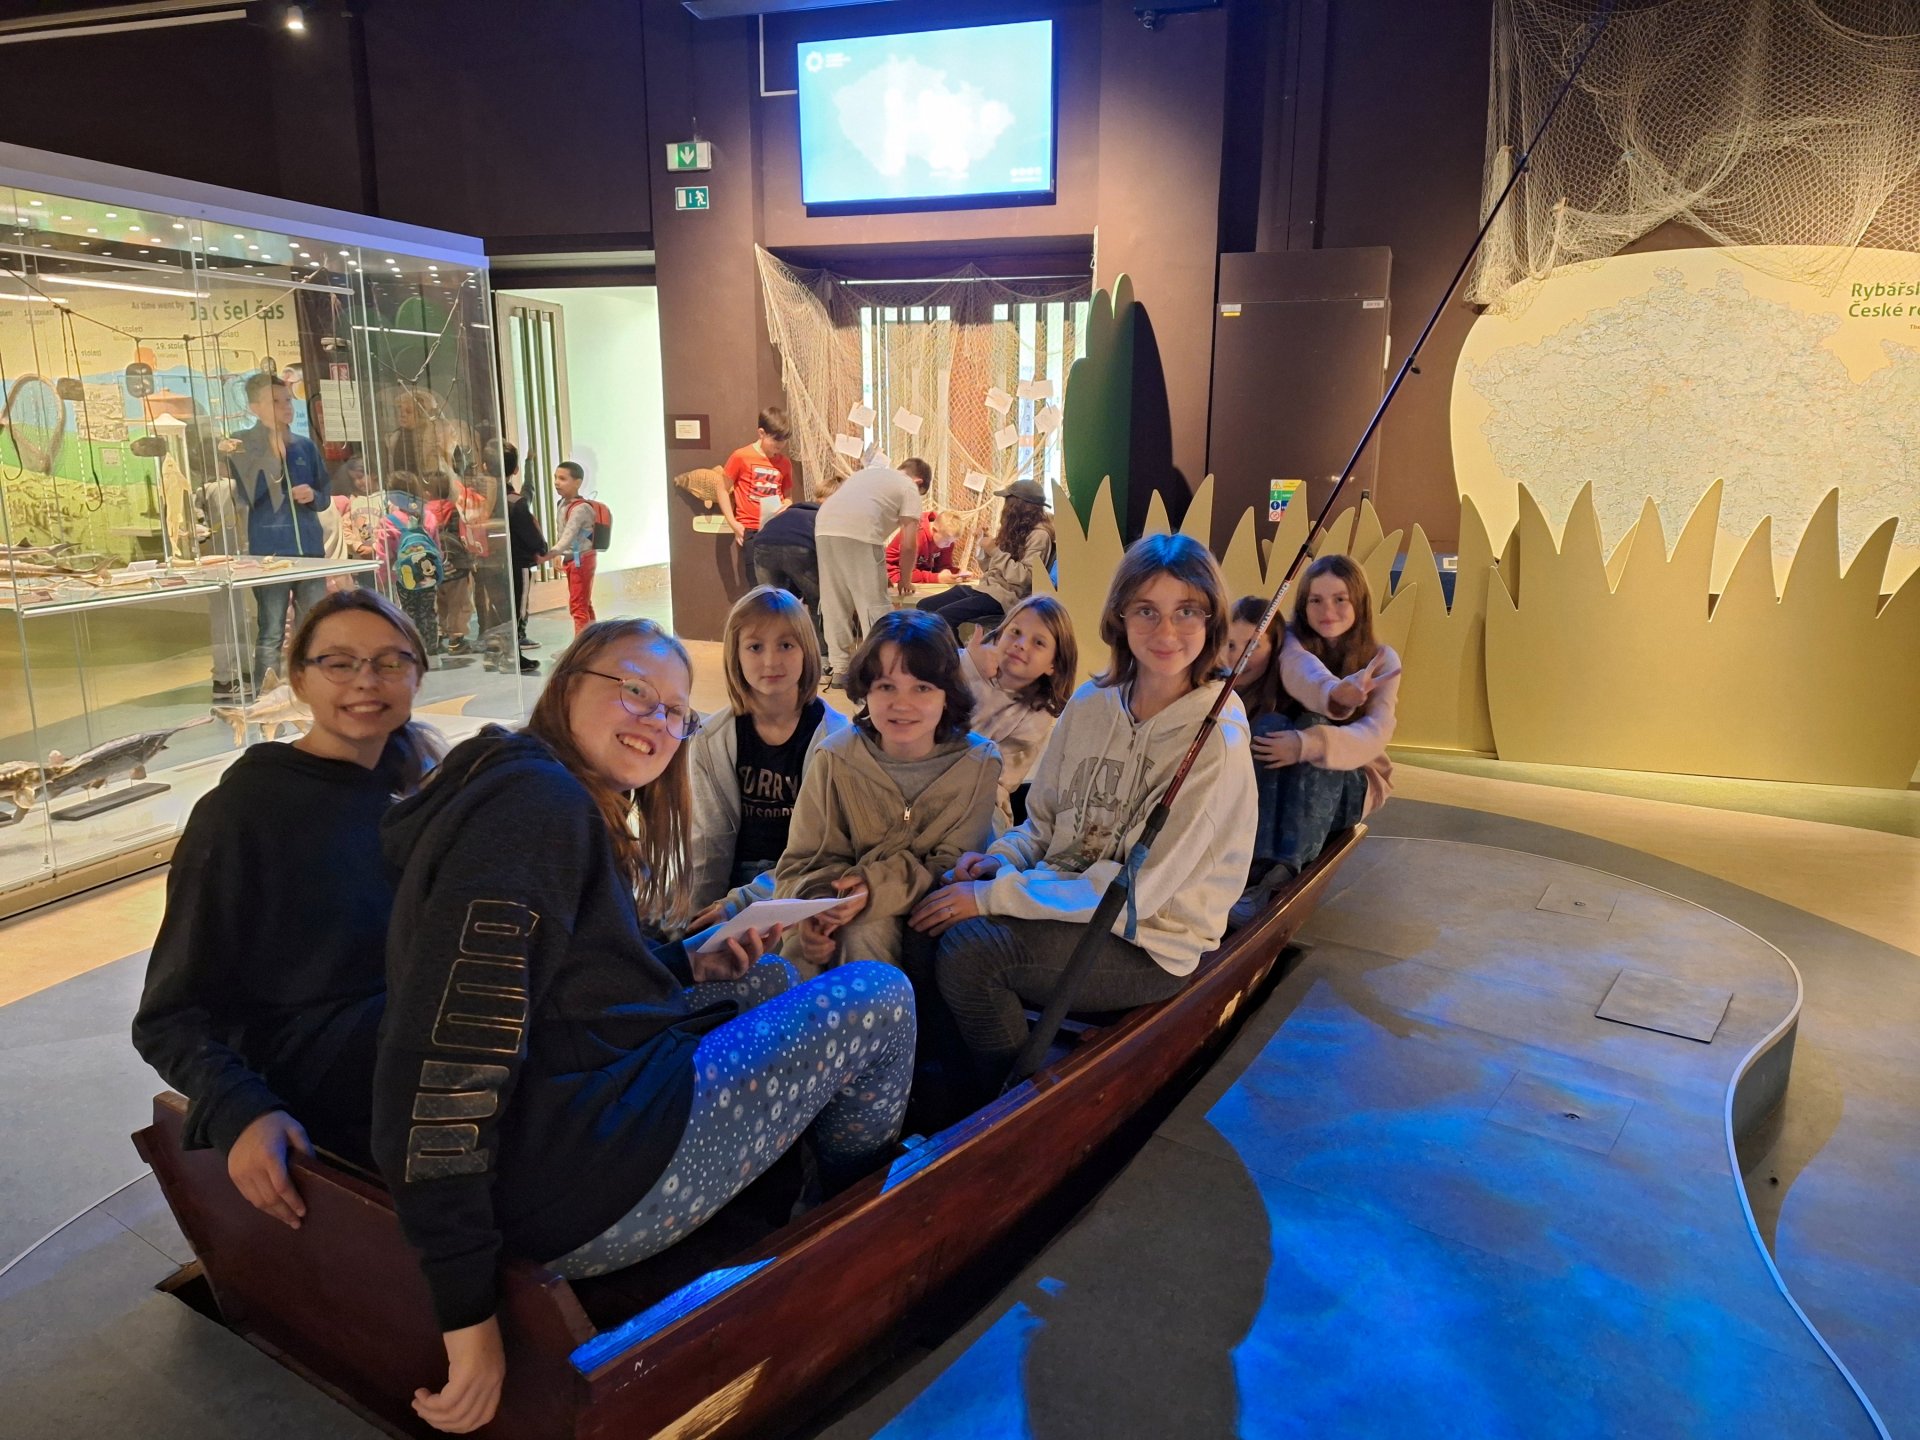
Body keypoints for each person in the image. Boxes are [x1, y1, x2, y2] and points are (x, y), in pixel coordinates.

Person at [372, 618, 914, 1434]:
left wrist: (685, 965)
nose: (656, 722)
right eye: (634, 691)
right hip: (578, 1179)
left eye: (674, 712)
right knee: (880, 998)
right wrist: (468, 1317)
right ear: (567, 684)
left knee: (764, 975)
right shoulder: (538, 808)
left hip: (572, 1121)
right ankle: (847, 1236)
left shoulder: (525, 782)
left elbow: (564, 987)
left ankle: (773, 1215)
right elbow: (447, 1056)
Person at [133, 590, 439, 1228]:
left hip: (422, 1057)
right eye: (339, 663)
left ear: (417, 675)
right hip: (338, 1086)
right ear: (299, 679)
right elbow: (169, 1016)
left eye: (390, 662)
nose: (366, 681)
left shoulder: (418, 787)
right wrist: (242, 1110)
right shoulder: (244, 812)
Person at [911, 533, 1257, 1088]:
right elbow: (1044, 823)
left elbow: (1136, 894)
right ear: (1120, 615)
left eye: (1187, 611)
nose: (1166, 632)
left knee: (974, 952)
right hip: (1065, 896)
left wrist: (993, 898)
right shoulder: (1091, 703)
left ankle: (1001, 1107)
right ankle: (940, 1088)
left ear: (1212, 618)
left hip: (1148, 938)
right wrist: (1001, 861)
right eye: (1147, 610)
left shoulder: (1215, 739)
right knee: (927, 918)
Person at [774, 609, 1000, 975]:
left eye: (922, 688)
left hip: (930, 916)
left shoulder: (978, 763)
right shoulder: (835, 759)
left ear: (947, 695)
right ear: (866, 690)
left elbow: (951, 866)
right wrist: (812, 914)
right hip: (842, 911)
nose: (902, 704)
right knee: (811, 945)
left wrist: (872, 889)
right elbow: (802, 864)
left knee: (865, 929)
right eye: (885, 687)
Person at [1231, 554, 1401, 926]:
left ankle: (1281, 878)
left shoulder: (1382, 660)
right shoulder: (1292, 642)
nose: (1328, 610)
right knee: (1269, 724)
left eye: (1340, 599)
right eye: (1316, 600)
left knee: (1311, 723)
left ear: (1359, 602)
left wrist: (1308, 744)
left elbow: (1374, 735)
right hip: (1289, 779)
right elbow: (1303, 672)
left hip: (1349, 785)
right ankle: (1251, 865)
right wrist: (1336, 692)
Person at [688, 585, 850, 921]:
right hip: (732, 884)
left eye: (786, 645)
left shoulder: (837, 738)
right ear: (736, 655)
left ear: (806, 651)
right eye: (755, 647)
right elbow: (708, 843)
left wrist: (742, 903)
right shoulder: (710, 740)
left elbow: (823, 852)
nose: (771, 661)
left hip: (804, 883)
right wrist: (696, 918)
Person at [224, 371, 331, 688]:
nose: (286, 406)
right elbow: (248, 495)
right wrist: (273, 456)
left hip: (310, 552)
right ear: (255, 408)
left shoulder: (305, 446)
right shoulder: (242, 444)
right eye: (275, 401)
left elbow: (325, 494)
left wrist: (313, 496)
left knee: (312, 627)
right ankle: (266, 694)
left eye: (287, 399)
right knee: (271, 628)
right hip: (270, 555)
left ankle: (312, 687)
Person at [959, 594, 1077, 829]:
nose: (1021, 644)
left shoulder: (1036, 715)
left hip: (982, 798)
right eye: (1015, 632)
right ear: (999, 634)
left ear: (1053, 664)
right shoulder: (965, 665)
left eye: (1038, 642)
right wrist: (966, 666)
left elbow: (985, 769)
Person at [815, 457, 930, 683]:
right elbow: (908, 543)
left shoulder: (867, 474)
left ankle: (840, 668)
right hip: (861, 532)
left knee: (834, 601)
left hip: (824, 528)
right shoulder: (909, 487)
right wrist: (905, 579)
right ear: (918, 482)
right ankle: (880, 668)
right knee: (874, 605)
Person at [917, 479, 1053, 633]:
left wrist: (994, 551)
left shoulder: (1039, 535)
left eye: (1008, 502)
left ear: (1017, 506)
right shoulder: (1016, 530)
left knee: (944, 617)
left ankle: (957, 650)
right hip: (987, 589)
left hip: (1005, 598)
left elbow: (1025, 578)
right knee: (924, 607)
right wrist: (984, 546)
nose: (1005, 508)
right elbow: (989, 568)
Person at [751, 472, 839, 656]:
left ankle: (767, 649)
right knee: (818, 602)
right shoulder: (826, 516)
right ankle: (821, 655)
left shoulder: (790, 511)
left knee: (772, 602)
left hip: (763, 544)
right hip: (801, 548)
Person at [716, 406, 793, 575]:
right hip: (751, 528)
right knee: (758, 580)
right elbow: (722, 488)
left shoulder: (785, 463)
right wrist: (733, 523)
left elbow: (787, 496)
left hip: (777, 527)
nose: (780, 445)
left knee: (780, 579)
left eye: (784, 440)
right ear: (761, 433)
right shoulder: (741, 456)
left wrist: (787, 505)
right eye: (776, 440)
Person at [500, 442, 547, 674]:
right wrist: (542, 548)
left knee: (498, 609)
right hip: (517, 562)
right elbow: (531, 535)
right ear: (515, 469)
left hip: (490, 563)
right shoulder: (515, 502)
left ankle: (496, 654)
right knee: (517, 607)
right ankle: (513, 656)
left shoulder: (483, 499)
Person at [424, 470, 476, 655]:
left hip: (432, 566)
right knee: (458, 603)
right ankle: (456, 639)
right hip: (455, 565)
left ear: (427, 491)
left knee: (439, 602)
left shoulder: (423, 512)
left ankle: (438, 635)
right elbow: (463, 536)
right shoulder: (453, 509)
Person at [1221, 595, 1286, 721]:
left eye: (1253, 645)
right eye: (1230, 645)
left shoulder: (1278, 716)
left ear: (1275, 647)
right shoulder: (1209, 693)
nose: (1238, 658)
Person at [551, 460, 597, 634]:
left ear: (577, 483)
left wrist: (554, 552)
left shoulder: (581, 508)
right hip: (574, 557)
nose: (556, 482)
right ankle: (593, 640)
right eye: (555, 477)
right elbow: (562, 532)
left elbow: (569, 535)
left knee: (578, 606)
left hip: (581, 558)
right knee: (583, 602)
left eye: (562, 479)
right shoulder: (562, 504)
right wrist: (559, 554)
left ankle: (581, 644)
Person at [887, 508, 966, 586]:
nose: (948, 545)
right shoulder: (915, 537)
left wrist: (957, 575)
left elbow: (943, 567)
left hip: (916, 573)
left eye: (952, 542)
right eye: (947, 542)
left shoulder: (945, 538)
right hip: (893, 573)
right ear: (934, 530)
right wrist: (936, 578)